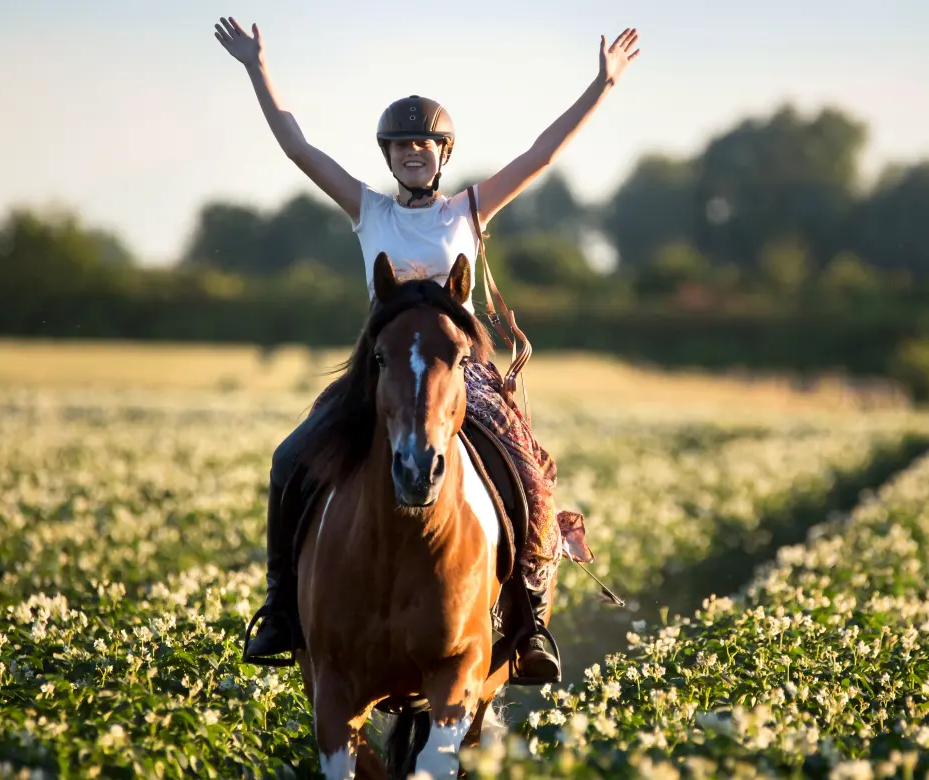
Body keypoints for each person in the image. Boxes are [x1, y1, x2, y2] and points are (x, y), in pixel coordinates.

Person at [215, 16, 640, 684]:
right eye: (401, 144)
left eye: (426, 143)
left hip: (462, 375)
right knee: (289, 458)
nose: (414, 151)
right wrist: (256, 68)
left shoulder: (469, 210)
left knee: (531, 477)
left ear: (444, 152)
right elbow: (299, 149)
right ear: (388, 157)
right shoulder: (369, 211)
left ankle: (528, 623)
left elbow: (541, 155)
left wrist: (601, 86)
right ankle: (279, 610)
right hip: (380, 373)